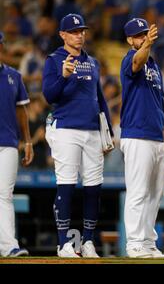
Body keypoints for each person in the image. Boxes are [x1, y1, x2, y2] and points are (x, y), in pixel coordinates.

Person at [42, 13, 113, 258]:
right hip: (66, 128)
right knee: (67, 184)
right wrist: (63, 76)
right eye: (74, 31)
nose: (79, 35)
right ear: (62, 35)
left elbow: (100, 97)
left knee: (94, 188)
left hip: (93, 130)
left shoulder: (93, 62)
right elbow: (49, 96)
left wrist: (108, 131)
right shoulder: (54, 59)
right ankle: (63, 243)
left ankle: (89, 241)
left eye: (82, 30)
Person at [120, 17, 164, 258]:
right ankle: (134, 242)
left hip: (155, 136)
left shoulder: (154, 67)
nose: (144, 38)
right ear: (130, 39)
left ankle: (146, 242)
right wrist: (146, 46)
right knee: (138, 191)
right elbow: (136, 62)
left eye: (145, 34)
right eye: (139, 35)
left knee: (156, 192)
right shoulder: (131, 59)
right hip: (136, 134)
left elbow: (157, 106)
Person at [0, 32, 34, 257]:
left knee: (4, 194)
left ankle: (9, 246)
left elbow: (21, 110)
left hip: (8, 143)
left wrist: (28, 140)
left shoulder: (13, 76)